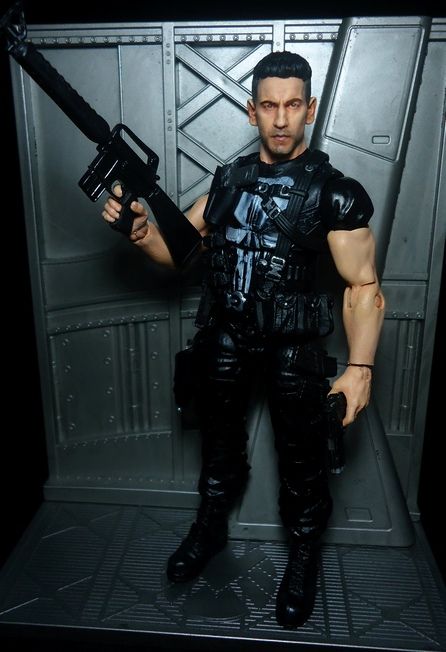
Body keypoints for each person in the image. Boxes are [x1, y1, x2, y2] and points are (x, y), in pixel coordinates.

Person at [102, 50, 385, 628]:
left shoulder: (334, 193)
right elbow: (178, 252)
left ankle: (302, 556)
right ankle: (209, 531)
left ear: (309, 109)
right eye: (269, 106)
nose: (280, 119)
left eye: (293, 105)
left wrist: (360, 368)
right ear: (251, 110)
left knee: (303, 460)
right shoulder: (229, 180)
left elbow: (363, 286)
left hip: (293, 345)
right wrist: (140, 231)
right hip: (227, 336)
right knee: (218, 446)